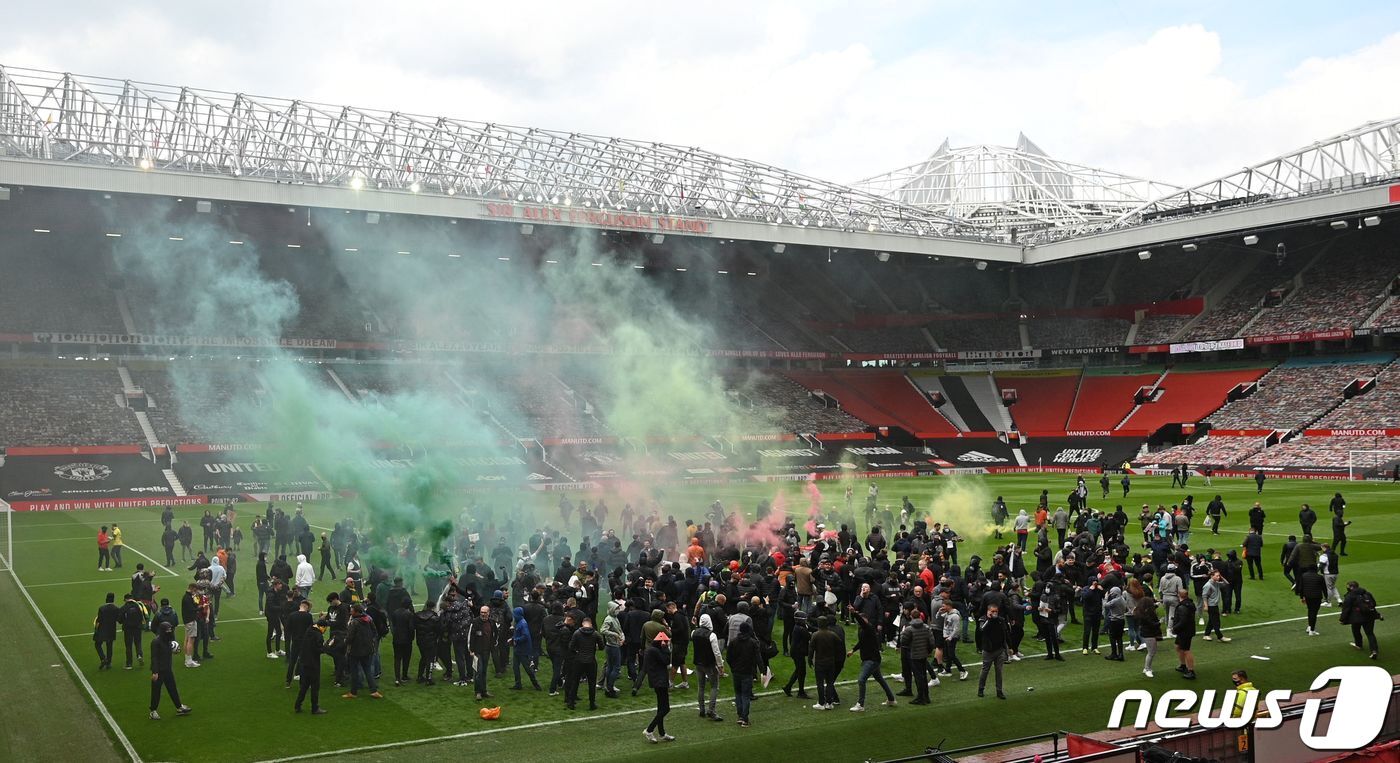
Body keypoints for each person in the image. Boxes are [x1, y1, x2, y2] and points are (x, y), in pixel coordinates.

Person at [848, 610, 896, 711]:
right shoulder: (862, 629)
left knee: (861, 680)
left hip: (871, 660)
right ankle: (891, 699)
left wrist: (854, 613)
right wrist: (853, 650)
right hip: (870, 659)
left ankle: (860, 704)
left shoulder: (868, 628)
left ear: (865, 620)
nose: (859, 623)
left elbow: (861, 622)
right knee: (880, 679)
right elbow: (861, 642)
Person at [147, 622, 191, 720]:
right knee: (156, 692)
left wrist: (175, 651)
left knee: (172, 689)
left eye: (170, 630)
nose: (170, 632)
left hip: (167, 670)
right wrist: (155, 672)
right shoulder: (156, 642)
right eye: (168, 630)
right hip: (159, 671)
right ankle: (153, 711)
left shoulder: (168, 641)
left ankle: (179, 707)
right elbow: (154, 658)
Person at [342, 603, 383, 699]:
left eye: (352, 611)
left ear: (356, 612)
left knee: (354, 671)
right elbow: (375, 632)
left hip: (355, 650)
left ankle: (353, 692)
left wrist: (345, 642)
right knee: (367, 670)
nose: (350, 612)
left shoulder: (354, 622)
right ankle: (374, 691)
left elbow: (350, 637)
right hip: (368, 649)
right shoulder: (368, 619)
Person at [642, 632, 674, 743]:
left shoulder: (651, 650)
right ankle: (649, 730)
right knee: (665, 709)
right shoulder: (656, 651)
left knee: (661, 708)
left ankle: (662, 733)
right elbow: (666, 661)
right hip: (660, 681)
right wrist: (666, 648)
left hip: (657, 681)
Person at [728, 620, 761, 726]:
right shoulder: (753, 642)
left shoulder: (733, 641)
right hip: (747, 672)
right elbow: (758, 658)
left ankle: (740, 716)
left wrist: (733, 668)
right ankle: (745, 719)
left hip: (736, 672)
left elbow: (728, 657)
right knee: (745, 695)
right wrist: (763, 671)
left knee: (738, 694)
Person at [693, 612, 726, 720]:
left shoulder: (694, 633)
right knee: (714, 686)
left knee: (701, 686)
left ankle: (701, 709)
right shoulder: (711, 635)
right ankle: (711, 711)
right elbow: (717, 652)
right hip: (709, 664)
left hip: (698, 663)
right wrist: (720, 665)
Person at [1340, 581, 1381, 659]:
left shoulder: (1349, 596)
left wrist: (1342, 619)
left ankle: (1358, 645)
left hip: (1356, 617)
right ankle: (1374, 651)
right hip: (1369, 616)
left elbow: (1346, 609)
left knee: (1356, 630)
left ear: (1352, 587)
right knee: (1370, 634)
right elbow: (1374, 604)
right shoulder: (1367, 593)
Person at [975, 603, 1008, 700]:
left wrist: (1008, 647)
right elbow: (982, 630)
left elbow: (1005, 633)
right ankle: (981, 689)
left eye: (996, 611)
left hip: (999, 649)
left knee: (999, 671)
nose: (994, 613)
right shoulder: (983, 619)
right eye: (992, 611)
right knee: (985, 670)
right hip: (988, 651)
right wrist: (989, 620)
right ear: (988, 611)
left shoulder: (1001, 620)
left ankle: (999, 691)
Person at [296, 618, 329, 714]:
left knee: (304, 686)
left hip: (304, 662)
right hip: (313, 664)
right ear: (322, 627)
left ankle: (297, 705)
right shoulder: (318, 636)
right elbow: (319, 650)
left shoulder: (309, 630)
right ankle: (315, 708)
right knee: (315, 686)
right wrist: (327, 646)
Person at [809, 615, 842, 710]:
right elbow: (840, 644)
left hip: (820, 662)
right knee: (830, 683)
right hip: (831, 662)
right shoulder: (832, 634)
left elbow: (811, 649)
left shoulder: (815, 635)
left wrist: (809, 660)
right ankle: (829, 703)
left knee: (820, 683)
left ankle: (821, 703)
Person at [1172, 589, 1197, 680]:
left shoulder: (1182, 607)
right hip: (1185, 630)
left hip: (1184, 631)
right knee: (1178, 646)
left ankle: (1191, 671)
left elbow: (1183, 621)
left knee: (1186, 650)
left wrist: (1175, 628)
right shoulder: (1189, 604)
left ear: (1179, 595)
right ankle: (1183, 665)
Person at [1295, 566, 1326, 637]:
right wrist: (1326, 597)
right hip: (1317, 597)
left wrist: (1301, 597)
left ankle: (1309, 626)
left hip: (1308, 596)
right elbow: (1324, 588)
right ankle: (1312, 630)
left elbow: (1301, 587)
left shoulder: (1304, 576)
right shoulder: (1320, 577)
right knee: (1314, 613)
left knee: (1310, 611)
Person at [93, 593, 121, 670]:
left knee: (97, 644)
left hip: (102, 629)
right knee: (109, 646)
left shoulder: (102, 608)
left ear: (106, 599)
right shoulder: (116, 609)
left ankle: (103, 658)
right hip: (111, 630)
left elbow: (99, 620)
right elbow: (118, 619)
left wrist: (96, 629)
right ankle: (109, 662)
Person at [120, 594, 147, 669]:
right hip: (137, 627)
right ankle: (139, 655)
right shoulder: (138, 606)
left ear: (126, 599)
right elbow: (143, 615)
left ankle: (129, 664)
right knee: (138, 643)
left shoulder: (124, 607)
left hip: (128, 629)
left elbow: (120, 619)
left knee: (128, 646)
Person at [1137, 597, 1162, 679]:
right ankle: (1147, 669)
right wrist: (1160, 622)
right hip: (1149, 634)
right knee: (1151, 652)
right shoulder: (1145, 615)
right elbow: (1152, 624)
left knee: (1151, 652)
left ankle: (1147, 668)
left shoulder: (1142, 612)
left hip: (1148, 633)